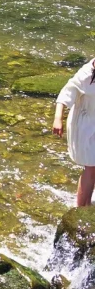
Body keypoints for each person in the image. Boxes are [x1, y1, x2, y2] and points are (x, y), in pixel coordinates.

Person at [53, 58, 95, 206]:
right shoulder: (85, 75)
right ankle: (82, 210)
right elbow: (65, 94)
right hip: (85, 125)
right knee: (91, 167)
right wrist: (58, 118)